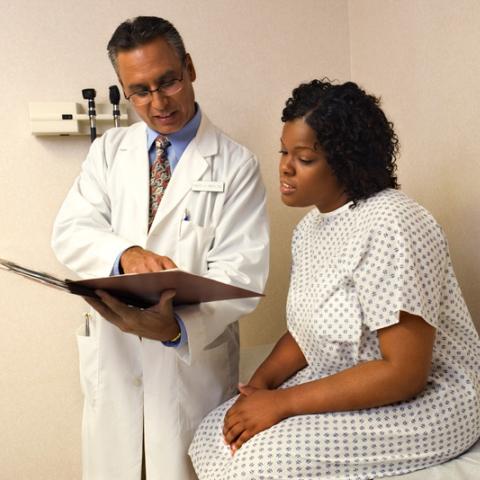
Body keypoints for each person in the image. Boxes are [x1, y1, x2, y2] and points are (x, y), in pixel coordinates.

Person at [189, 79, 480, 479]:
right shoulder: (309, 230)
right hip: (347, 380)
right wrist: (260, 389)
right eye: (283, 151)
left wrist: (284, 403)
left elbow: (405, 373)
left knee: (254, 464)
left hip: (427, 400)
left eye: (304, 158)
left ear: (346, 161)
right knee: (212, 434)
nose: (285, 168)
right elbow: (308, 332)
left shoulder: (394, 223)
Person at [51, 16, 269, 480]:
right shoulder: (109, 152)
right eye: (140, 90)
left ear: (189, 68)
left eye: (167, 81)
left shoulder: (236, 164)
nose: (158, 101)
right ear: (124, 91)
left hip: (190, 366)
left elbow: (243, 276)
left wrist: (173, 328)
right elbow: (71, 230)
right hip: (115, 357)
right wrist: (124, 254)